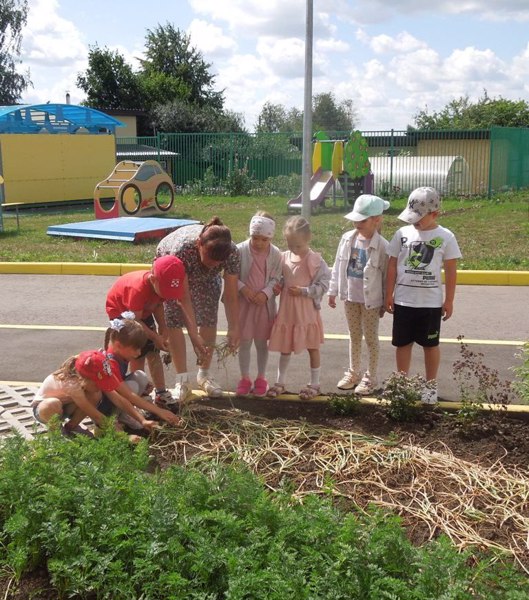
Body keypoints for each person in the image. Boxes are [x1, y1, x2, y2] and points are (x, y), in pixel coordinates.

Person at [385, 186, 462, 404]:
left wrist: (449, 300)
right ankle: (401, 385)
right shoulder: (402, 234)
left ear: (435, 213)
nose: (414, 222)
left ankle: (430, 386)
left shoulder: (445, 236)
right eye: (412, 217)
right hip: (403, 301)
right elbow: (392, 265)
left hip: (430, 304)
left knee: (430, 345)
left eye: (419, 218)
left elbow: (451, 270)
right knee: (402, 344)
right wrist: (388, 294)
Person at [156, 217, 241, 401]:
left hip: (207, 279)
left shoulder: (232, 252)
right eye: (211, 260)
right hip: (173, 267)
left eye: (219, 263)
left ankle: (204, 374)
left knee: (209, 315)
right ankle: (182, 381)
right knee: (174, 318)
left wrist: (234, 327)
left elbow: (231, 295)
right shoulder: (183, 250)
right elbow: (183, 298)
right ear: (199, 244)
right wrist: (194, 335)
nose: (215, 265)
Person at [105, 255, 206, 408]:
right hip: (124, 315)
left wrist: (162, 328)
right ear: (153, 280)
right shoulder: (137, 289)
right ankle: (140, 395)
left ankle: (160, 393)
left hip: (142, 313)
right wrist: (155, 337)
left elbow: (158, 305)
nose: (167, 294)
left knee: (153, 353)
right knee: (136, 352)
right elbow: (135, 321)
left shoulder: (160, 288)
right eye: (165, 291)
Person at [328, 194, 389, 395]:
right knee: (354, 336)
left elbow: (387, 275)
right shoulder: (347, 239)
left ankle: (371, 377)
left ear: (377, 220)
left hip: (370, 301)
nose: (356, 223)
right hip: (350, 297)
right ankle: (353, 372)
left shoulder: (382, 246)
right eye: (355, 219)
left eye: (362, 220)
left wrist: (385, 300)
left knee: (370, 338)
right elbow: (338, 265)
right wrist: (333, 290)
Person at [267, 216, 331, 400]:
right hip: (287, 313)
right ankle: (280, 381)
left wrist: (304, 291)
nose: (294, 249)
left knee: (312, 347)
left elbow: (324, 286)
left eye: (298, 246)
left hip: (306, 314)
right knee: (285, 348)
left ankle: (315, 383)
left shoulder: (315, 260)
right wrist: (278, 285)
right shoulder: (284, 258)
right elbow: (279, 278)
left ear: (308, 238)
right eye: (290, 245)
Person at [32, 350, 155, 437]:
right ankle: (58, 433)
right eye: (98, 383)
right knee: (52, 404)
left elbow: (119, 400)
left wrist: (142, 420)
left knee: (95, 394)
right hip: (44, 410)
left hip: (67, 406)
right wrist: (121, 435)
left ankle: (71, 427)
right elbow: (95, 415)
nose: (100, 386)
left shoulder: (86, 380)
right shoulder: (72, 385)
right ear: (86, 379)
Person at [100, 316, 182, 429]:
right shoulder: (110, 363)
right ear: (119, 345)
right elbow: (129, 395)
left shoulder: (120, 355)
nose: (139, 353)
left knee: (140, 376)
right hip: (104, 403)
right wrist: (159, 411)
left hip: (112, 397)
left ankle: (123, 413)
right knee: (132, 386)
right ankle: (114, 418)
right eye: (136, 349)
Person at [236, 211, 282, 396]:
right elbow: (230, 276)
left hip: (264, 306)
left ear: (270, 237)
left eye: (264, 239)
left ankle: (261, 377)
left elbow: (277, 277)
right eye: (255, 238)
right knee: (245, 341)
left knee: (262, 342)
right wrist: (244, 289)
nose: (259, 243)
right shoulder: (239, 251)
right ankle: (245, 377)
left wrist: (266, 293)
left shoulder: (275, 253)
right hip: (244, 305)